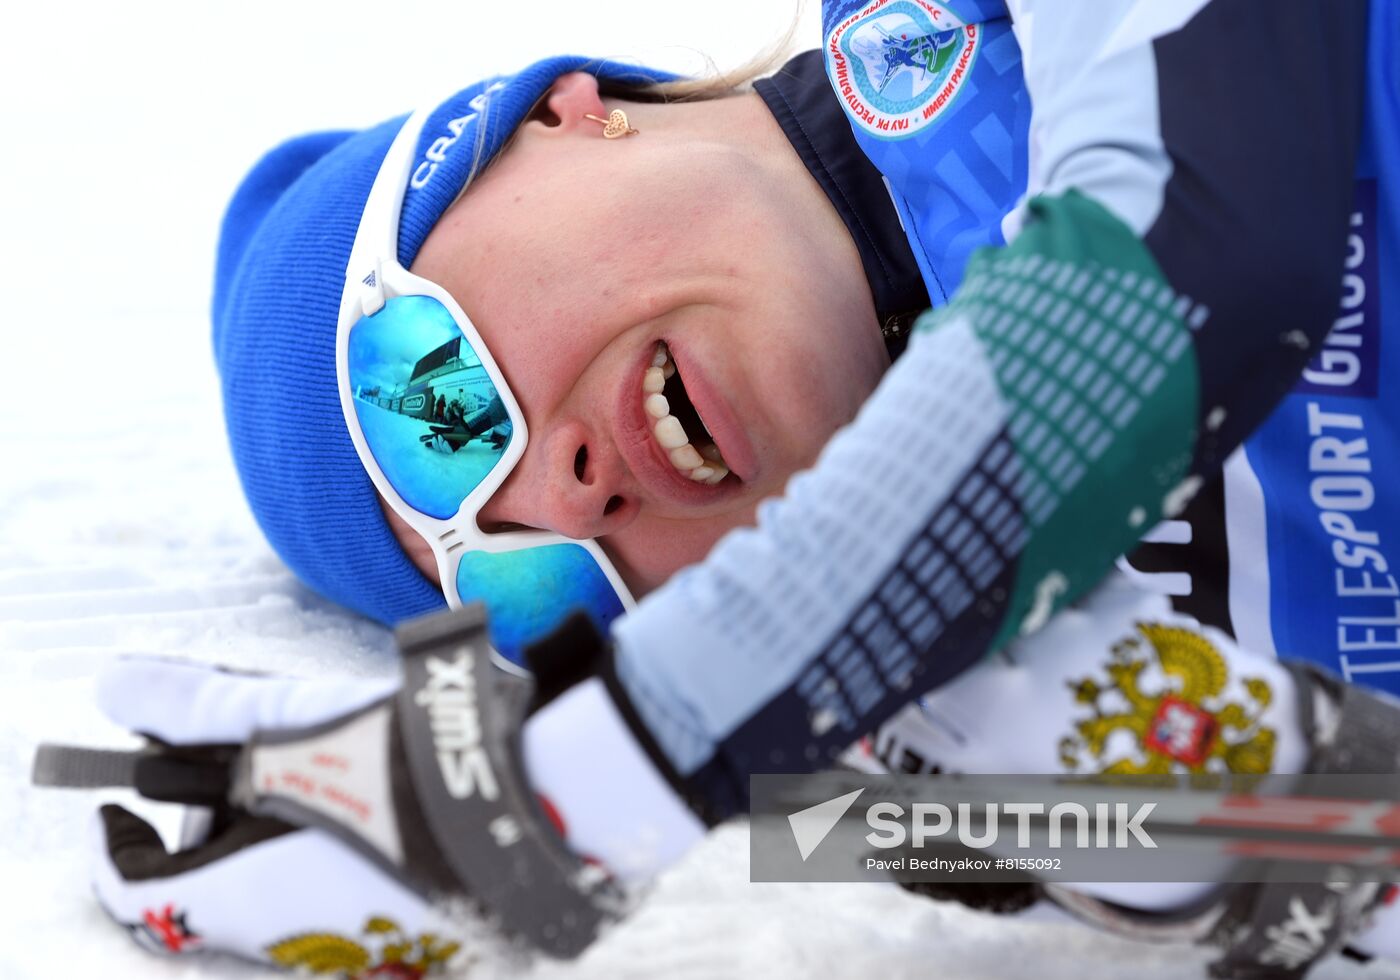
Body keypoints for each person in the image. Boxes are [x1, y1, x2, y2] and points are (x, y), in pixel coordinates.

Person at [80, 0, 1400, 975]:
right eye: (522, 588)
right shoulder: (945, 733)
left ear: (559, 118)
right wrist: (1294, 831)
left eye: (438, 405)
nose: (563, 500)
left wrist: (624, 755)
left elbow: (1201, 236)